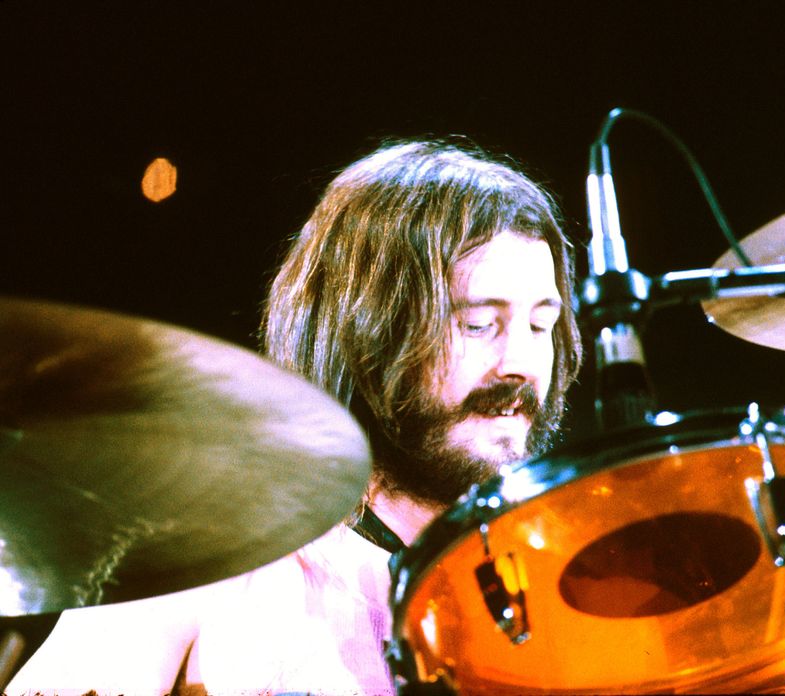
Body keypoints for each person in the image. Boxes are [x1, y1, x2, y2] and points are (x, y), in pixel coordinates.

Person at [7, 138, 582, 694]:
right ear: (366, 330)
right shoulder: (203, 564)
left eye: (541, 326)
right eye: (478, 324)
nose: (520, 364)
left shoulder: (554, 586)